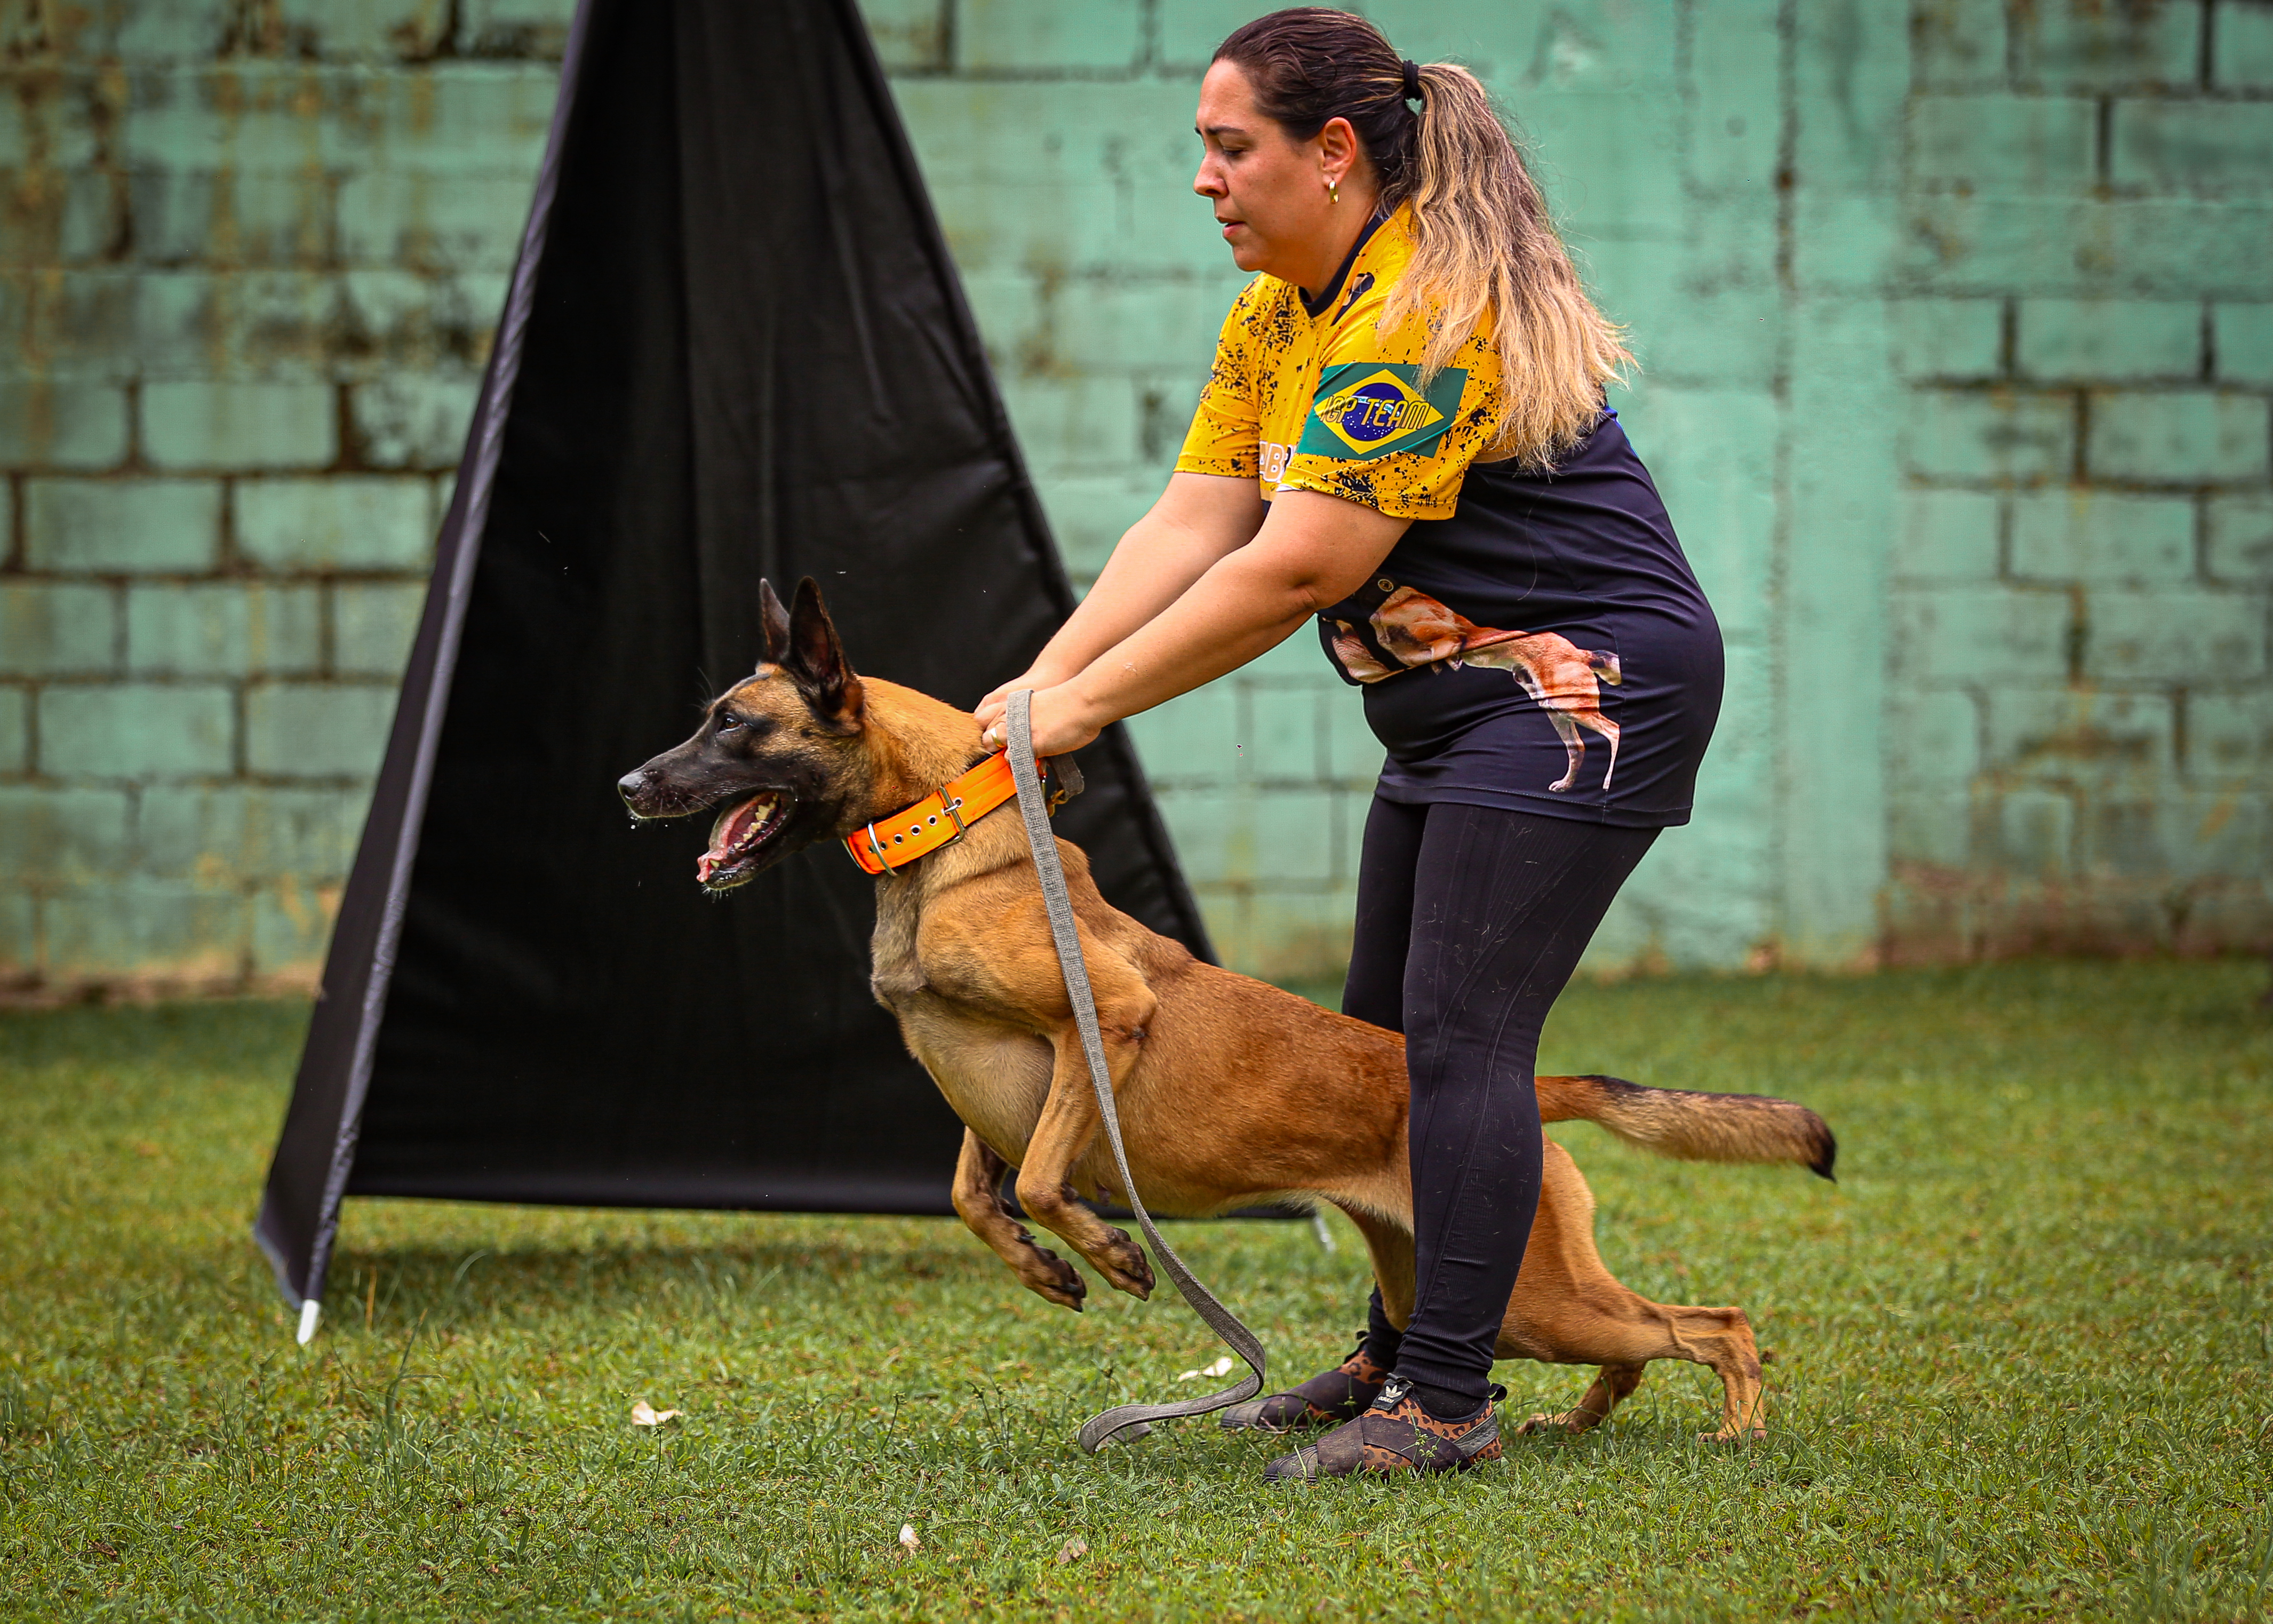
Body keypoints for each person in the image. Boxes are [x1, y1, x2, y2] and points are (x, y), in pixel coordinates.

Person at [972, 6, 1724, 1482]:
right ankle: (1399, 1347)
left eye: (1229, 146)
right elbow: (1195, 522)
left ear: (1331, 153)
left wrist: (1086, 709)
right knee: (1370, 1052)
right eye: (1205, 148)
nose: (1206, 178)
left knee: (1457, 1042)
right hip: (1452, 709)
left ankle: (1445, 1397)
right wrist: (1035, 690)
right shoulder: (1279, 310)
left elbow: (1301, 565)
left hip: (1589, 695)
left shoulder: (1416, 312)